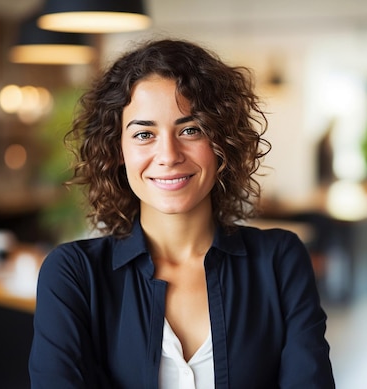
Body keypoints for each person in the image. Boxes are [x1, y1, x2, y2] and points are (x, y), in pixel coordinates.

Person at [28, 38, 335, 389]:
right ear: (117, 151)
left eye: (190, 130)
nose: (169, 154)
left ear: (222, 142)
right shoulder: (74, 274)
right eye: (144, 134)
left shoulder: (280, 261)